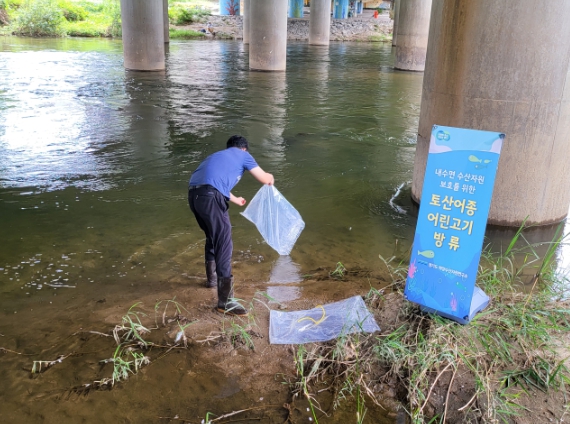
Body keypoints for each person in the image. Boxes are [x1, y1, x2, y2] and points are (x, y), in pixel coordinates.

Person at [188, 135, 274, 316]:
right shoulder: (243, 155)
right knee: (224, 242)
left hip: (194, 196)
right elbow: (264, 178)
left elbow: (212, 182)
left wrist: (235, 199)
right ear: (244, 149)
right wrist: (270, 177)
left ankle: (211, 280)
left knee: (213, 237)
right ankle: (225, 302)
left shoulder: (216, 156)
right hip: (211, 197)